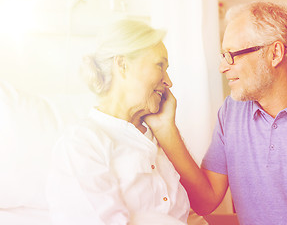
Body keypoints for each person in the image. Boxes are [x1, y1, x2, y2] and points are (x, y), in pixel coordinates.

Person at [144, 2, 287, 224]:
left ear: (275, 53)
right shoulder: (232, 111)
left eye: (232, 55)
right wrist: (165, 128)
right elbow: (205, 201)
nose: (223, 67)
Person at [46, 20, 190, 225]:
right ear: (122, 64)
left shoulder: (158, 137)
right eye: (160, 65)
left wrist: (167, 128)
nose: (168, 82)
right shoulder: (82, 143)